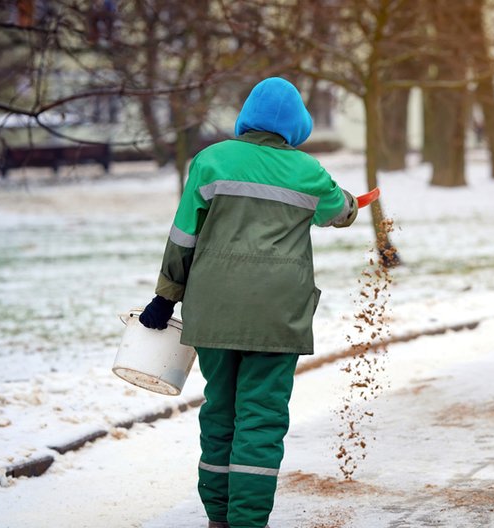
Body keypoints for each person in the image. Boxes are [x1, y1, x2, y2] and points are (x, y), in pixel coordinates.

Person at [137, 77, 358, 528]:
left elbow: (183, 235)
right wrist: (354, 203)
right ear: (298, 126)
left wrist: (165, 297)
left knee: (220, 410)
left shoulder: (211, 161)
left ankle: (218, 516)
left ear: (246, 118)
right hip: (277, 317)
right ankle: (248, 521)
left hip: (213, 311)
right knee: (261, 418)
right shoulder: (308, 171)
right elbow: (339, 212)